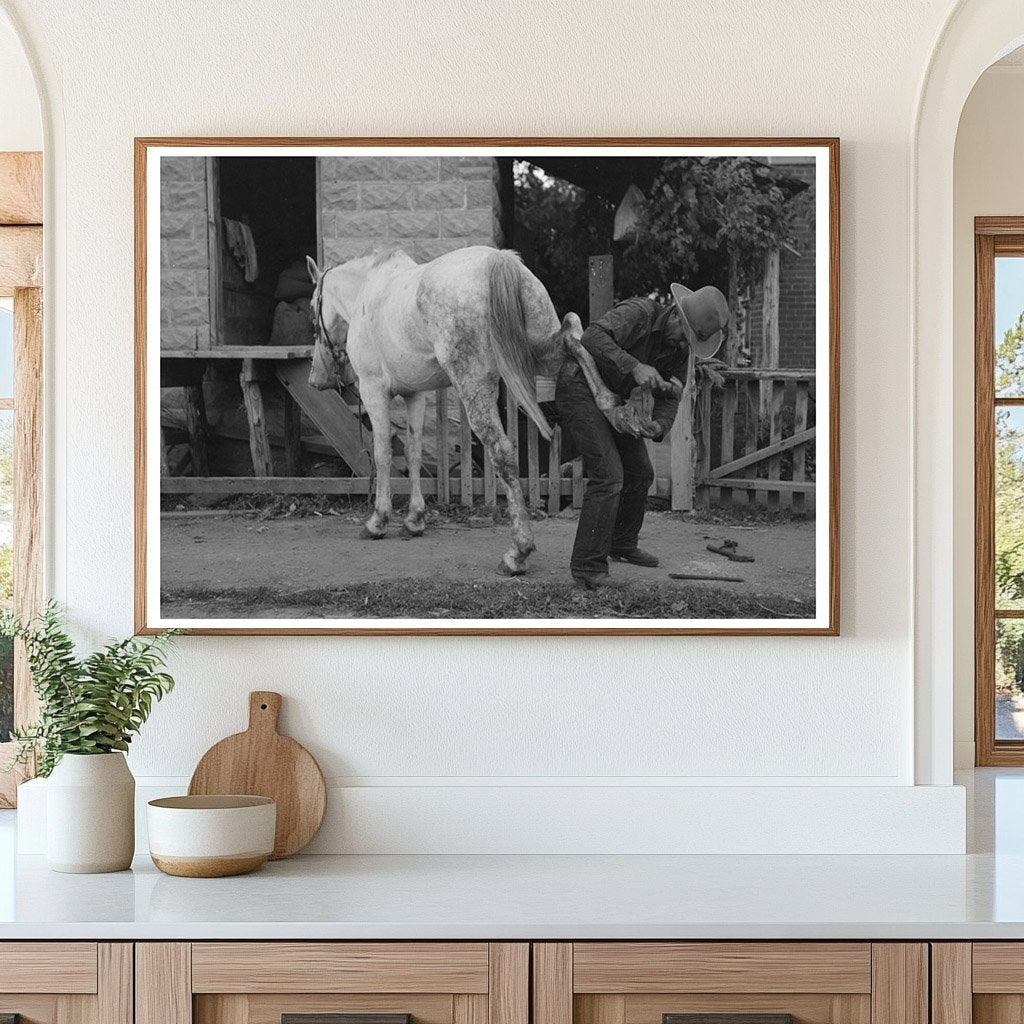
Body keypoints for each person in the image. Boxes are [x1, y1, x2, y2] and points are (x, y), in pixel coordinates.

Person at [556, 283, 730, 589]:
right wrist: (634, 366)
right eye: (684, 336)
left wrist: (659, 426)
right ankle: (586, 566)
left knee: (640, 473)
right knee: (609, 475)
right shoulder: (638, 312)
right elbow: (593, 337)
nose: (684, 345)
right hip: (579, 387)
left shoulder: (679, 350)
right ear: (676, 316)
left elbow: (671, 396)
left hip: (612, 399)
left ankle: (621, 544)